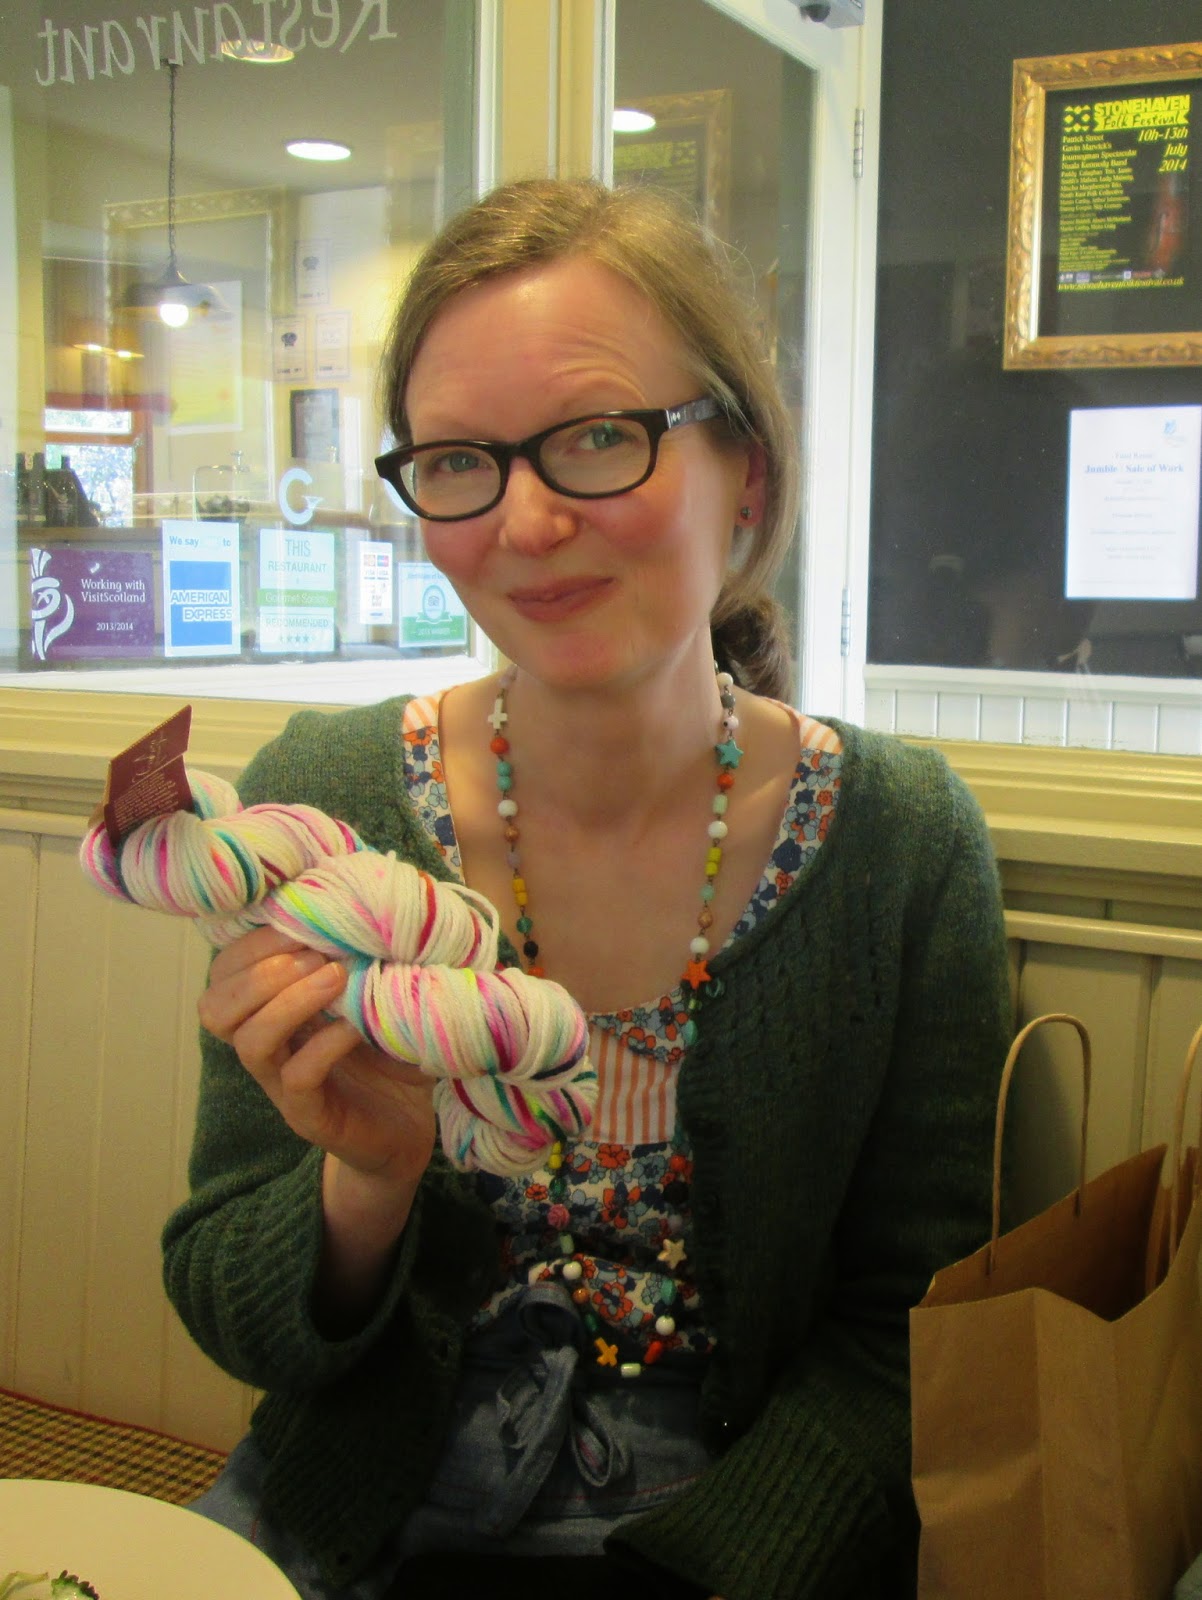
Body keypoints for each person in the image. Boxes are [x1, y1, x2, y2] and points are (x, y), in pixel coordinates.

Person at [167, 176, 1012, 1600]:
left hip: (732, 1531)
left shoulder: (897, 841)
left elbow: (915, 1337)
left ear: (746, 472)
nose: (528, 521)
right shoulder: (326, 804)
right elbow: (234, 1310)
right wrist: (365, 1181)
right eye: (459, 461)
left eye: (600, 438)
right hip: (351, 1512)